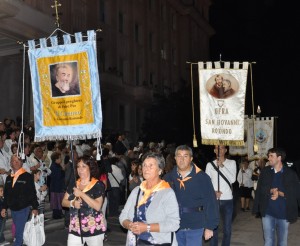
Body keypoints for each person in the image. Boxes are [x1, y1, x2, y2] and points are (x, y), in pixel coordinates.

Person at [119, 152, 180, 245]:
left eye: (151, 166)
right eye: (144, 165)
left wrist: (147, 227)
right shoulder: (137, 191)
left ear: (160, 170)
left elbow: (174, 224)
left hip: (158, 242)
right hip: (135, 241)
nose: (146, 169)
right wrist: (130, 225)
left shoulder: (167, 193)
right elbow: (123, 216)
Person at [163, 145, 219, 246]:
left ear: (191, 158)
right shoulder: (168, 178)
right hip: (174, 225)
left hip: (195, 225)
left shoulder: (202, 178)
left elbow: (211, 202)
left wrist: (210, 226)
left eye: (185, 156)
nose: (182, 159)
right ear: (175, 158)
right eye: (179, 156)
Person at [253, 147, 300, 246]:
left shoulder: (290, 174)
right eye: (268, 156)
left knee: (282, 242)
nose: (268, 158)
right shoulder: (265, 172)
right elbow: (260, 189)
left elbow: (295, 192)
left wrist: (280, 193)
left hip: (283, 214)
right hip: (268, 213)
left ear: (279, 158)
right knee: (268, 241)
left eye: (271, 156)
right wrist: (270, 190)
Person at [62, 155, 106, 246]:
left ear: (90, 168)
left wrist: (81, 194)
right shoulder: (74, 183)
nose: (80, 169)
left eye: (83, 166)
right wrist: (72, 203)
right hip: (75, 229)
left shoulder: (98, 185)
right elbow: (63, 202)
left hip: (94, 229)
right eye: (78, 166)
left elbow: (98, 206)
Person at [1, 154, 38, 246]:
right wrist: (4, 208)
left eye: (18, 160)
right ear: (10, 163)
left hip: (23, 208)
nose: (16, 162)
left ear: (21, 162)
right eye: (14, 160)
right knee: (18, 230)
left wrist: (35, 207)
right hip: (13, 209)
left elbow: (32, 193)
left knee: (19, 232)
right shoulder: (9, 178)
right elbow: (6, 194)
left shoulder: (28, 176)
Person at [205, 145, 237, 246]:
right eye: (217, 148)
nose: (219, 150)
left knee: (227, 228)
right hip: (214, 199)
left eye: (222, 148)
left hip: (228, 200)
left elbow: (232, 179)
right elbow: (206, 183)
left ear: (226, 150)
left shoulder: (232, 163)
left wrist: (222, 167)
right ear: (214, 150)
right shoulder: (210, 165)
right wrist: (213, 192)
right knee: (214, 227)